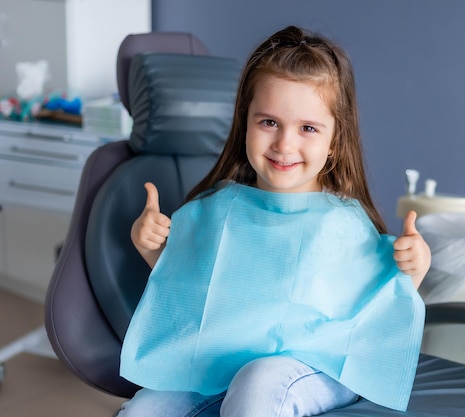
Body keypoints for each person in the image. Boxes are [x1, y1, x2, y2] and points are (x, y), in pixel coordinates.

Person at [117, 25, 431, 417]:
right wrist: (152, 246)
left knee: (260, 382)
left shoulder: (342, 223)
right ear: (244, 123)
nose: (284, 144)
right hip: (220, 363)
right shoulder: (219, 208)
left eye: (308, 128)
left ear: (334, 141)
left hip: (320, 364)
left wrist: (413, 269)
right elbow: (184, 284)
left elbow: (383, 301)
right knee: (145, 409)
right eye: (268, 123)